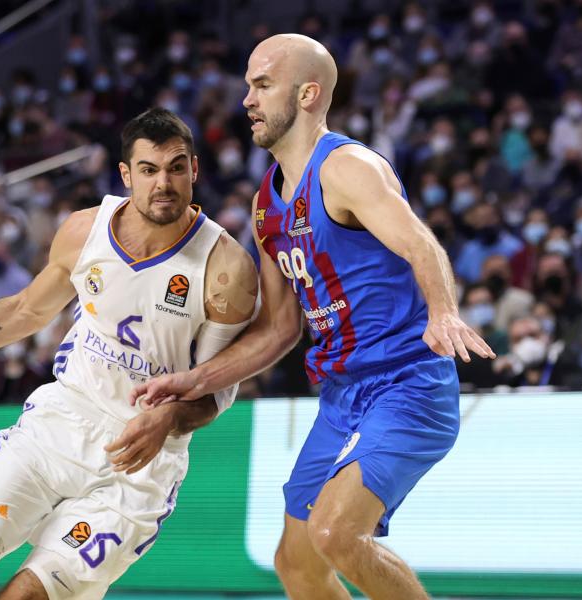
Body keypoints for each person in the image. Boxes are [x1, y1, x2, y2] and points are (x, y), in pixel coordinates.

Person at [134, 34, 495, 599]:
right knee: (295, 565)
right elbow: (280, 329)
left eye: (262, 85)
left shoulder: (347, 167)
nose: (246, 100)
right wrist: (193, 381)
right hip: (340, 395)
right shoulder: (264, 205)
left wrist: (444, 311)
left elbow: (420, 244)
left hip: (406, 384)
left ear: (306, 94)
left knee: (336, 533)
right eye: (247, 85)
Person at [0, 108, 258, 599]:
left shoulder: (226, 270)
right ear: (126, 174)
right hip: (59, 422)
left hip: (139, 461)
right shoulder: (84, 230)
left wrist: (169, 418)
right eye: (149, 170)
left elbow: (218, 388)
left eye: (176, 168)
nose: (164, 184)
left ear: (195, 169)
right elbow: (27, 311)